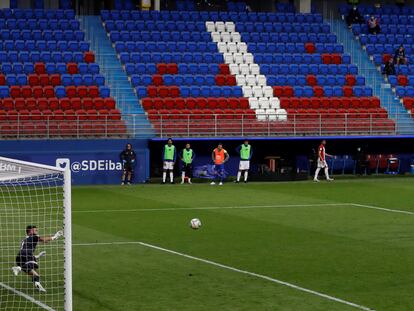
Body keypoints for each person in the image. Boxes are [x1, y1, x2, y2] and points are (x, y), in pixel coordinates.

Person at [11, 225, 63, 292]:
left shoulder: (25, 239)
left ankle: (38, 286)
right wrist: (55, 236)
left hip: (19, 257)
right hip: (26, 254)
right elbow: (44, 240)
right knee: (35, 265)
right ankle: (19, 268)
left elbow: (29, 256)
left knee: (35, 275)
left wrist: (39, 255)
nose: (37, 231)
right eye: (35, 230)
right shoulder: (34, 236)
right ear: (30, 231)